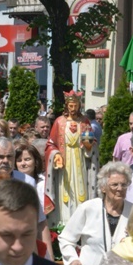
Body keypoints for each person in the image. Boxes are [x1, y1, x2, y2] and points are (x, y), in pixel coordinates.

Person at [58, 161, 133, 265]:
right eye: (114, 185)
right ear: (103, 188)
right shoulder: (88, 208)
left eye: (124, 185)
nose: (120, 189)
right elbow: (66, 239)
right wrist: (73, 259)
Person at [44, 91, 100, 226]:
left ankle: (81, 221)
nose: (73, 109)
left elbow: (92, 141)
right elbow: (51, 143)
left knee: (81, 190)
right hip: (65, 163)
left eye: (75, 106)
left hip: (80, 161)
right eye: (70, 106)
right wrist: (56, 154)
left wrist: (89, 146)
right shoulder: (59, 122)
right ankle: (64, 221)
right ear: (66, 106)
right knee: (65, 191)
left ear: (79, 105)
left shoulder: (85, 122)